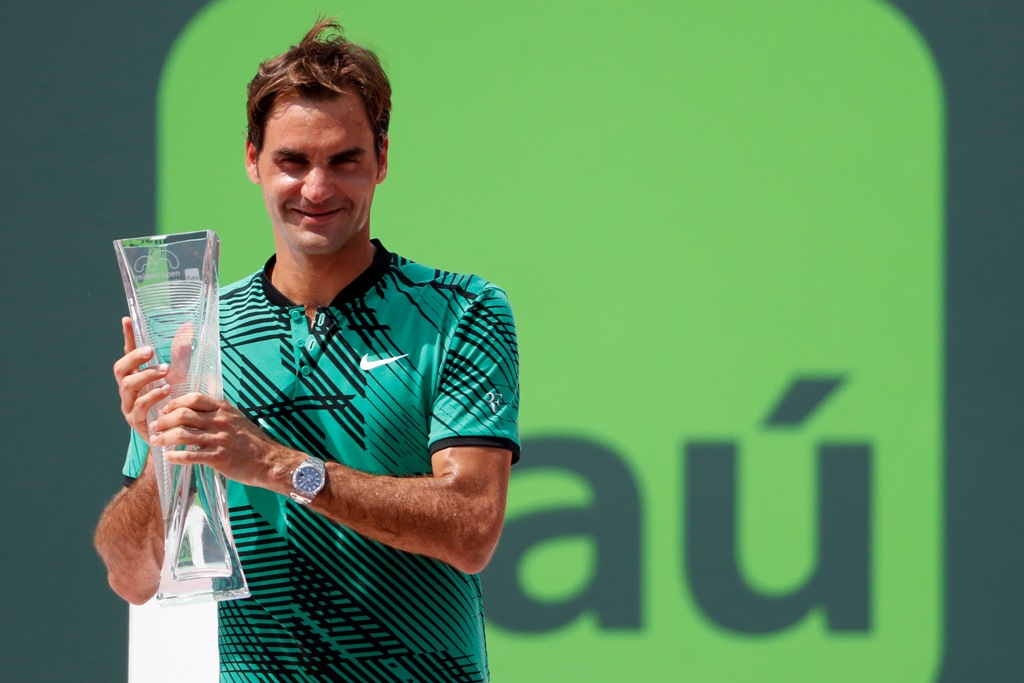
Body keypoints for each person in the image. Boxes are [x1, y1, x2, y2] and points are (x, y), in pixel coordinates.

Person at [94, 18, 520, 682]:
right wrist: (162, 456)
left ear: (381, 159)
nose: (317, 189)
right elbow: (132, 575)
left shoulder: (460, 312)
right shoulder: (199, 331)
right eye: (293, 161)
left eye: (343, 160)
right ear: (252, 161)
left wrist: (275, 464)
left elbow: (471, 527)